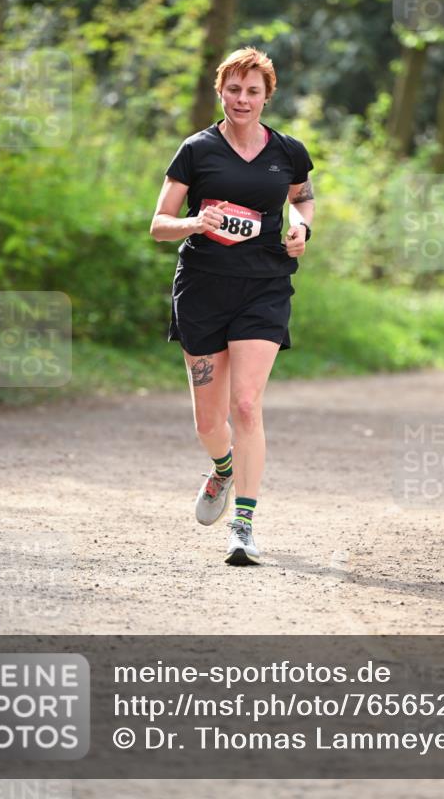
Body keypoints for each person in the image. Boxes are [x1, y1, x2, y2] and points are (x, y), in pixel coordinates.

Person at [149, 46, 315, 566]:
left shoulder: (287, 151)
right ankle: (221, 468)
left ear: (267, 96)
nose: (243, 99)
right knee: (208, 421)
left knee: (246, 405)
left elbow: (302, 197)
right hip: (202, 289)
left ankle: (243, 526)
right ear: (220, 92)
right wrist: (197, 222)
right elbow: (159, 224)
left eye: (253, 91)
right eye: (234, 90)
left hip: (263, 286)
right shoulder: (196, 151)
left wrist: (301, 225)